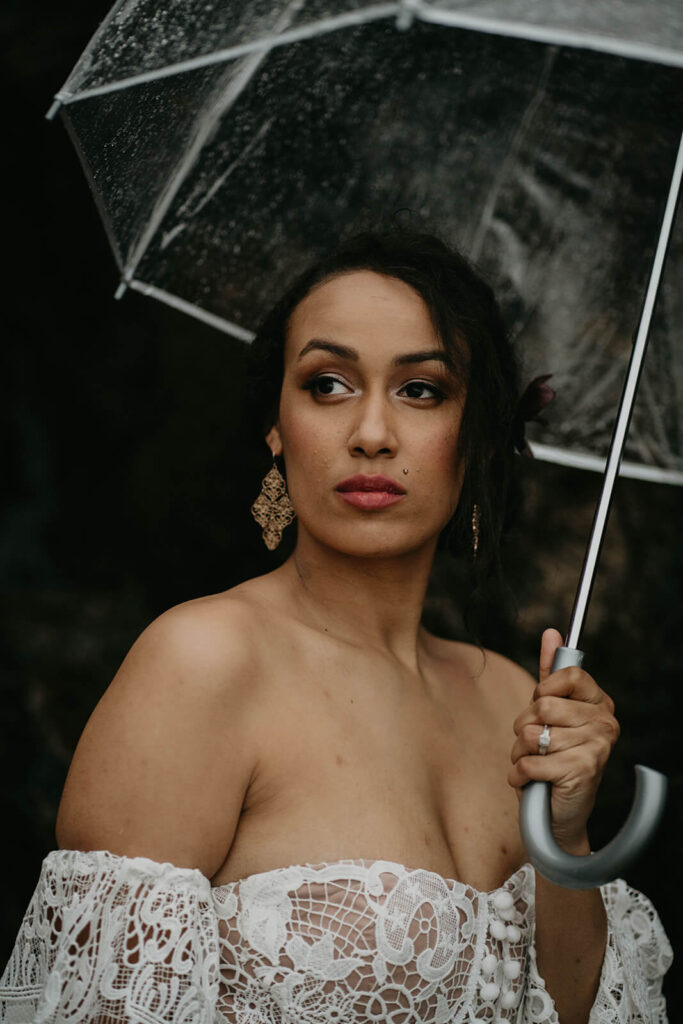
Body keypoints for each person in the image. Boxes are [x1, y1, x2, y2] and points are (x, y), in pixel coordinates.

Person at [0, 231, 671, 1024]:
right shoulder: (204, 662)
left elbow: (573, 1014)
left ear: (478, 435)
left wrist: (567, 837)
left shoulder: (513, 702)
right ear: (275, 429)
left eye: (421, 390)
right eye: (327, 384)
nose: (372, 433)